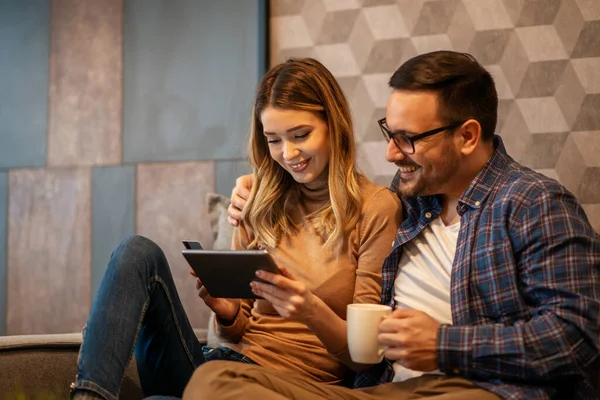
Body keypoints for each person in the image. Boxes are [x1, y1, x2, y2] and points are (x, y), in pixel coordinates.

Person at [184, 51, 600, 400]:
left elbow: (579, 337)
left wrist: (442, 345)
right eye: (389, 133)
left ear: (468, 136)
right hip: (377, 390)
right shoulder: (405, 205)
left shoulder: (532, 203)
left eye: (407, 138)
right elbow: (328, 195)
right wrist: (251, 187)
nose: (389, 153)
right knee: (213, 381)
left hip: (478, 389)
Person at [70, 57, 402, 400]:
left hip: (289, 386)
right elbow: (239, 329)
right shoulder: (258, 200)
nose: (288, 154)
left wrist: (308, 308)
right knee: (136, 252)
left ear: (334, 125)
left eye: (300, 135)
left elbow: (363, 358)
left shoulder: (375, 209)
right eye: (273, 140)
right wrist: (227, 313)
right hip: (218, 368)